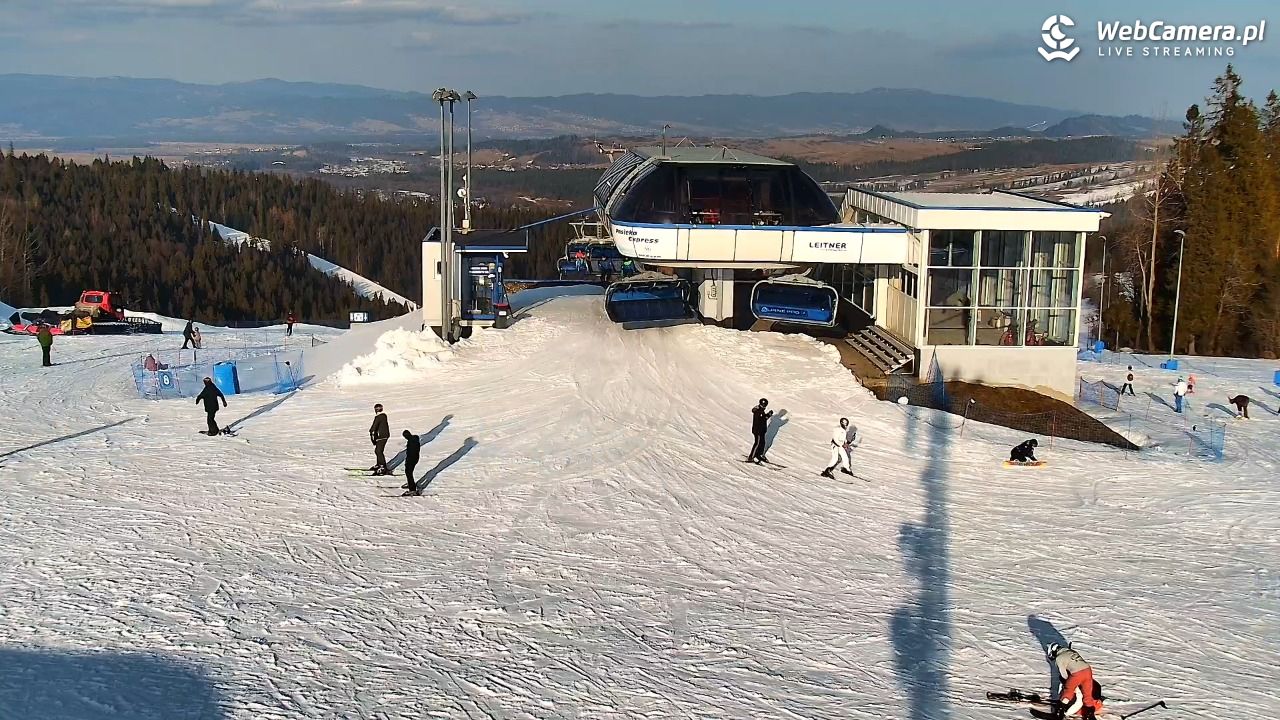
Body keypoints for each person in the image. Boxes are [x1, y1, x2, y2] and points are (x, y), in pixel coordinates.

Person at [1047, 643, 1104, 719]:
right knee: (1087, 695)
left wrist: (1068, 682)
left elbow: (1064, 675)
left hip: (1077, 673)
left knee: (1068, 691)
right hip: (1087, 670)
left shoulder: (1059, 658)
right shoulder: (1071, 651)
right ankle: (1090, 716)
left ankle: (1058, 713)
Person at [748, 398, 773, 464]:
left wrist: (767, 415)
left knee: (762, 443)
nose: (764, 407)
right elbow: (761, 420)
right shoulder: (758, 411)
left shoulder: (761, 410)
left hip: (761, 430)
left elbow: (763, 418)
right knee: (757, 443)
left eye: (765, 406)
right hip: (757, 431)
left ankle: (759, 455)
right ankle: (751, 457)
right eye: (763, 405)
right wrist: (768, 415)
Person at [369, 403, 390, 475]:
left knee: (379, 451)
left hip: (381, 436)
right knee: (378, 451)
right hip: (384, 435)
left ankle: (382, 466)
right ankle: (379, 464)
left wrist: (373, 437)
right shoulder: (383, 416)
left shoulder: (378, 417)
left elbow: (373, 428)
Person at [401, 429, 421, 494]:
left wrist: (408, 460)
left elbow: (411, 452)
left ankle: (412, 489)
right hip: (415, 458)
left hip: (411, 459)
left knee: (408, 472)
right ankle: (410, 483)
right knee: (409, 472)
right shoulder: (414, 439)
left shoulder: (411, 441)